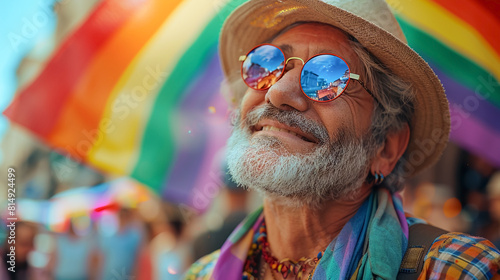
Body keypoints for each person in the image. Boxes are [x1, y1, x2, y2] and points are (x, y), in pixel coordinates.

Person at [185, 0, 500, 279]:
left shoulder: (457, 270)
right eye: (269, 63)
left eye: (328, 77)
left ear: (385, 146)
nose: (278, 92)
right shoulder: (202, 275)